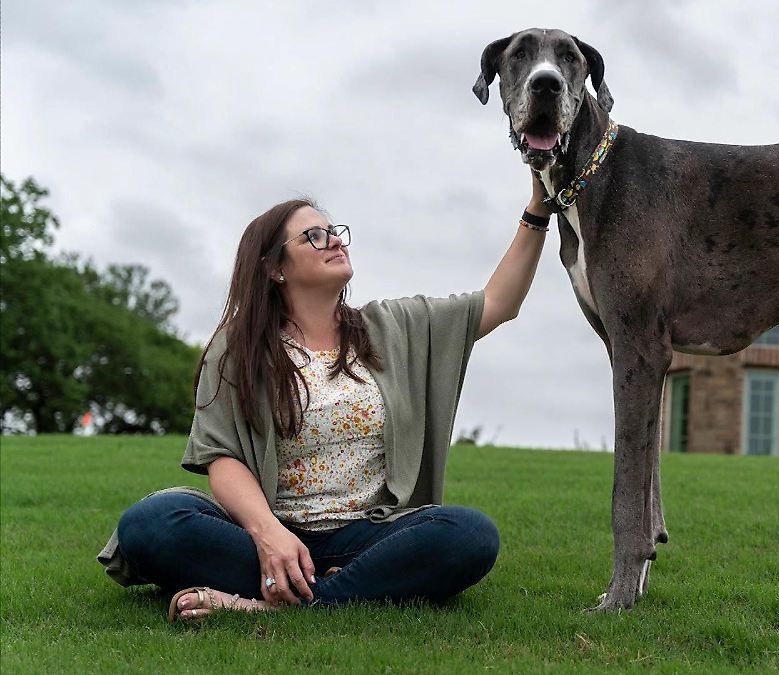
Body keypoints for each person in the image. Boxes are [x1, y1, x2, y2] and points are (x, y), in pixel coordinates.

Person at [108, 172, 554, 621]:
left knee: (470, 534)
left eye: (334, 231)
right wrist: (269, 535)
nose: (335, 241)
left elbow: (498, 303)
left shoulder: (393, 327)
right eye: (314, 236)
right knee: (149, 523)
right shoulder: (237, 347)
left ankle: (272, 604)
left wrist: (538, 208)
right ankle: (338, 587)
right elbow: (221, 457)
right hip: (265, 534)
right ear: (275, 268)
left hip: (369, 536)